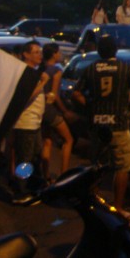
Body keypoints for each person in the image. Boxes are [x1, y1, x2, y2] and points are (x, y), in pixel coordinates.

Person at [72, 35, 130, 220]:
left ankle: (93, 203)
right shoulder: (125, 69)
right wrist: (126, 109)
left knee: (96, 165)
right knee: (123, 166)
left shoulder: (90, 69)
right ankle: (118, 207)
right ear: (115, 50)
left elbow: (76, 92)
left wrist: (89, 105)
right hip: (118, 124)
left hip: (97, 124)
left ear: (99, 51)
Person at [11, 41, 48, 195]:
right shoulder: (27, 73)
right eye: (35, 52)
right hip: (25, 123)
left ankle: (32, 186)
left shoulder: (34, 72)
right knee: (24, 159)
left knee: (35, 155)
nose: (40, 55)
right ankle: (20, 192)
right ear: (26, 55)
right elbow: (25, 97)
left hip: (34, 123)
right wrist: (43, 82)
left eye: (40, 52)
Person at [40, 43, 74, 182]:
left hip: (40, 109)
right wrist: (65, 111)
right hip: (50, 110)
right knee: (68, 139)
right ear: (54, 54)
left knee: (47, 141)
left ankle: (45, 175)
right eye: (58, 52)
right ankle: (63, 175)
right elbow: (55, 95)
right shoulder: (56, 71)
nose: (60, 55)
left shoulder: (41, 69)